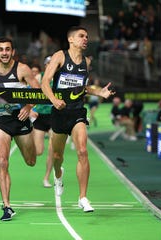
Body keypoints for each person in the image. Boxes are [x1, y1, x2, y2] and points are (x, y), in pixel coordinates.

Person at [41, 26, 115, 212]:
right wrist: (54, 100)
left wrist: (99, 92)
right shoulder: (60, 56)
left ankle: (83, 197)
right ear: (71, 39)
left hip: (77, 113)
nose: (85, 39)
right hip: (59, 113)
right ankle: (58, 176)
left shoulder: (86, 63)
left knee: (82, 151)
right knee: (57, 156)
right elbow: (44, 82)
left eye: (87, 36)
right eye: (81, 36)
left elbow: (83, 88)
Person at [0, 37, 40, 221]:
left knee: (31, 161)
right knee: (2, 161)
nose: (4, 53)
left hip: (21, 120)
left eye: (7, 49)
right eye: (1, 50)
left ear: (12, 52)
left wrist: (29, 106)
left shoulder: (22, 69)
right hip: (1, 121)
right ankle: (7, 206)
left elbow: (38, 90)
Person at [30, 56, 54, 188]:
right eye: (48, 63)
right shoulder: (39, 77)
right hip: (40, 116)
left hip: (53, 116)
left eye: (53, 63)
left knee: (52, 148)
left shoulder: (58, 79)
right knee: (38, 151)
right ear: (45, 65)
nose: (50, 65)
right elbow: (29, 93)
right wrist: (31, 108)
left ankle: (46, 177)